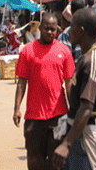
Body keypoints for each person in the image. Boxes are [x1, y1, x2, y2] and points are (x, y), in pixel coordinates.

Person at [14, 13, 75, 170]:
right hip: (34, 117)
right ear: (40, 28)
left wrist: (73, 110)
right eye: (46, 28)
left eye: (53, 30)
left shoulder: (65, 51)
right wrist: (17, 108)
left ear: (57, 31)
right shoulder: (27, 51)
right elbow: (21, 82)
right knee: (35, 160)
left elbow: (69, 83)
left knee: (57, 160)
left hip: (58, 116)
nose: (49, 32)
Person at [52, 8, 96, 170]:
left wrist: (66, 144)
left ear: (81, 31)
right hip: (79, 133)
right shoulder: (84, 59)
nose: (69, 31)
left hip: (88, 134)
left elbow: (86, 107)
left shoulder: (93, 62)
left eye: (72, 27)